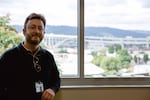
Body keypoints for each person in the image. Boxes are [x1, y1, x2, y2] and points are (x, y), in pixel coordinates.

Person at [0, 13, 61, 100]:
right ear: (24, 31)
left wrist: (52, 89)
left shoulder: (48, 57)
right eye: (32, 27)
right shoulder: (9, 57)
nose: (37, 31)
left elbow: (56, 79)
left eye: (40, 28)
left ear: (44, 33)